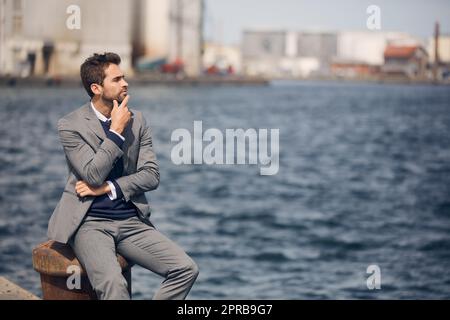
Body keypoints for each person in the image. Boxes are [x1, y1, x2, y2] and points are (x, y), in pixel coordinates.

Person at [47, 52, 199, 300]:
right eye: (116, 79)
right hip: (90, 223)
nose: (125, 83)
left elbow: (151, 176)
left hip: (131, 221)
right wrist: (115, 132)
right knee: (114, 285)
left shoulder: (137, 120)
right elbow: (92, 174)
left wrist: (109, 188)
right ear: (96, 88)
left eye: (124, 77)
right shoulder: (70, 125)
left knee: (185, 268)